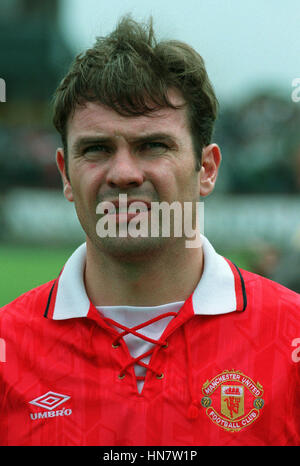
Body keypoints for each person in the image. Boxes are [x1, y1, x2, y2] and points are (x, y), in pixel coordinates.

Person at [0, 15, 300, 447]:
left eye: (153, 146)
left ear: (207, 169)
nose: (122, 173)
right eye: (97, 148)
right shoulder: (9, 347)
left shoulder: (290, 339)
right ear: (66, 175)